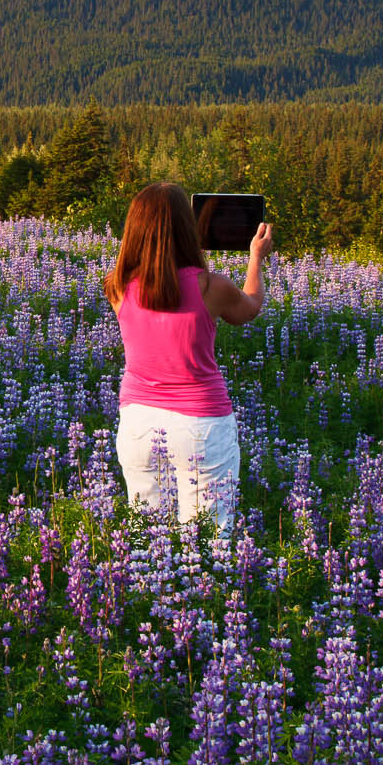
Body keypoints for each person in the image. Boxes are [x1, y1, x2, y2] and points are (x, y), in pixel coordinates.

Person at [103, 182, 273, 529]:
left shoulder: (117, 285)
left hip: (138, 423)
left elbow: (158, 286)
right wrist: (256, 258)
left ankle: (149, 586)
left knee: (145, 538)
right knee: (209, 541)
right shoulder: (211, 287)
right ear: (188, 228)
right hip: (201, 424)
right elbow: (250, 307)